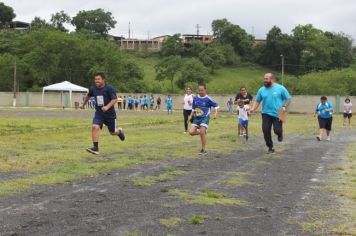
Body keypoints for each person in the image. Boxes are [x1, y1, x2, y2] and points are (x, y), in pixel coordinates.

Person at [80, 72, 125, 155]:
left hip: (110, 115)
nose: (96, 81)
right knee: (94, 126)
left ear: (103, 80)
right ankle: (95, 148)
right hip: (99, 113)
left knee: (112, 132)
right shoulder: (93, 89)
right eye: (95, 79)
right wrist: (83, 104)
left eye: (98, 79)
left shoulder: (109, 88)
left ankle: (119, 131)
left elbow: (114, 99)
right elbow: (88, 96)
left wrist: (107, 107)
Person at [250, 73, 291, 154]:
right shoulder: (261, 90)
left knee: (277, 130)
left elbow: (288, 99)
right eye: (264, 79)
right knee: (265, 130)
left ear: (272, 79)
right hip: (266, 113)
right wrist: (253, 109)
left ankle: (280, 134)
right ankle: (270, 147)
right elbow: (257, 101)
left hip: (279, 112)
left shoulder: (280, 88)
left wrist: (284, 106)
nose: (264, 80)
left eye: (266, 79)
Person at [189, 84, 219, 155]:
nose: (200, 92)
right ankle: (202, 132)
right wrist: (190, 115)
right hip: (197, 118)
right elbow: (193, 108)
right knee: (191, 132)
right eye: (199, 90)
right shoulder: (195, 98)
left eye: (202, 90)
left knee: (202, 132)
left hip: (205, 117)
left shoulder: (208, 99)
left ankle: (203, 150)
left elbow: (216, 106)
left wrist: (215, 113)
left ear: (205, 90)